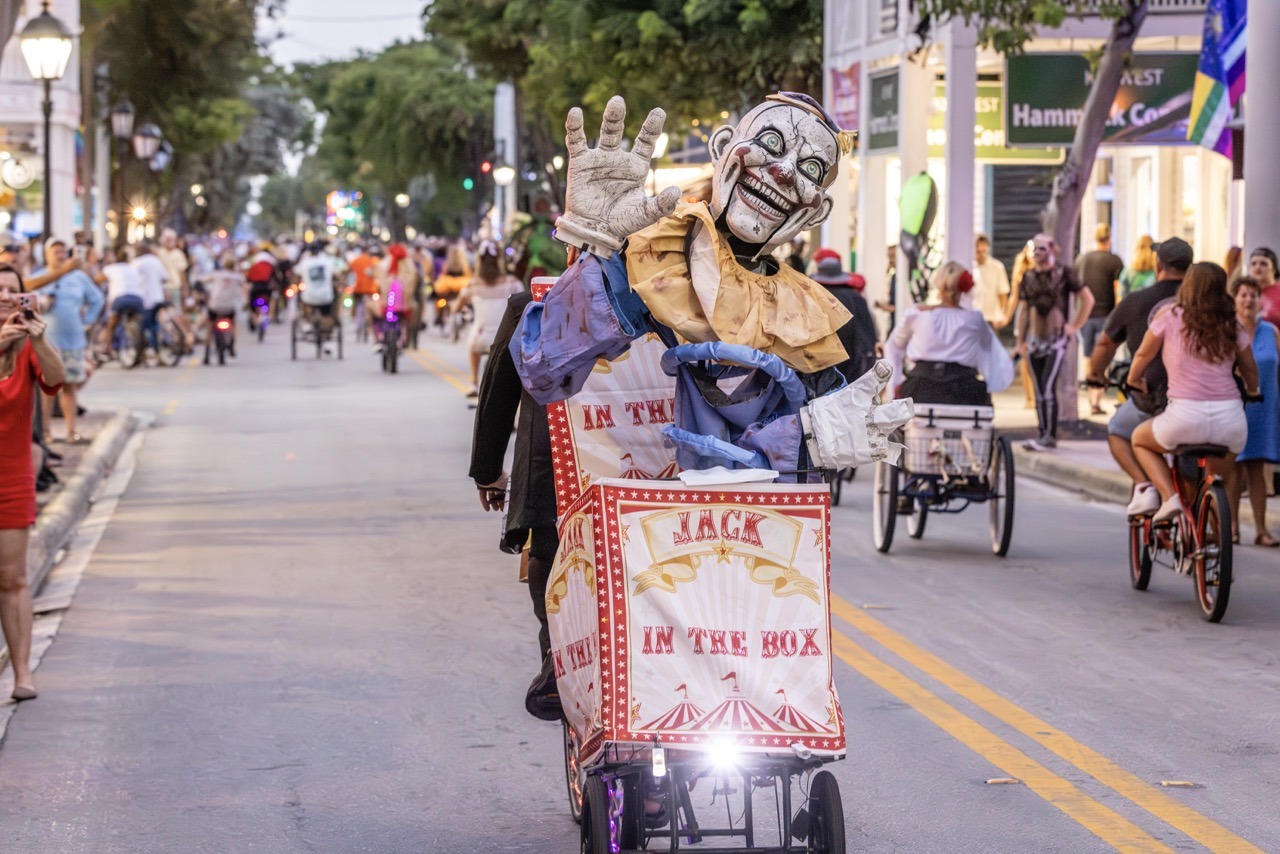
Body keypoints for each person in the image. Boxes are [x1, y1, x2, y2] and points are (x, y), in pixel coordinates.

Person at [470, 288, 560, 720]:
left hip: (553, 484)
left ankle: (558, 664)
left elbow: (497, 391)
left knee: (554, 573)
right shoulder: (690, 296)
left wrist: (488, 469)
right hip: (665, 487)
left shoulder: (536, 303)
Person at [1127, 262, 1258, 522]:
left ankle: (1169, 497)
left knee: (1139, 440)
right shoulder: (1233, 323)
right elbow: (1250, 369)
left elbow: (1143, 353)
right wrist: (1253, 390)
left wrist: (1134, 380)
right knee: (1216, 475)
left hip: (1182, 418)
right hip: (1230, 421)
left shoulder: (1170, 315)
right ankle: (1211, 529)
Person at [0, 263, 66, 701]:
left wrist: (39, 341)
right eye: (0, 290)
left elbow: (56, 382)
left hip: (12, 477)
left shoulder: (28, 345)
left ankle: (22, 674)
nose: (6, 297)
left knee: (13, 578)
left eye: (14, 291)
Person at [1087, 237, 1192, 508]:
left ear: (1159, 266)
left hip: (1153, 398)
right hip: (1201, 400)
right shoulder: (1204, 304)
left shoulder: (1135, 301)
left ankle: (1147, 485)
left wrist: (1096, 375)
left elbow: (1105, 343)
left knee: (1119, 430)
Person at [884, 261, 1014, 405]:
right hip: (965, 391)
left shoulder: (917, 315)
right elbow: (992, 353)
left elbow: (893, 346)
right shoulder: (974, 320)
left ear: (939, 285)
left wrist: (894, 383)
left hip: (920, 388)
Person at [1015, 234, 1094, 449]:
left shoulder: (1063, 273)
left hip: (1055, 339)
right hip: (1034, 340)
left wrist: (1074, 325)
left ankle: (1048, 435)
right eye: (1034, 248)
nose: (1037, 252)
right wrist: (1020, 340)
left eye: (1042, 248)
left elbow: (1087, 298)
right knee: (1039, 388)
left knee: (1047, 387)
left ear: (1051, 249)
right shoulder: (1028, 276)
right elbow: (1024, 310)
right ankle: (1043, 432)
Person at [1224, 277, 1279, 545]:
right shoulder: (1228, 330)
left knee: (1257, 468)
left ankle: (1260, 529)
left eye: (1253, 295)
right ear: (1234, 299)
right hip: (1236, 404)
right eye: (1243, 295)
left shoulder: (1271, 331)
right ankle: (1232, 527)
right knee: (1233, 466)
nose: (1249, 300)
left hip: (1265, 407)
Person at [32, 239, 103, 444]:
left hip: (73, 340)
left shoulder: (79, 277)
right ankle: (45, 432)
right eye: (56, 251)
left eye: (63, 252)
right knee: (46, 390)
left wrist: (87, 321)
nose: (60, 255)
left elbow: (97, 299)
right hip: (47, 343)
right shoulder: (39, 278)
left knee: (69, 387)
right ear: (47, 254)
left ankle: (71, 431)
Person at [453, 241, 524, 395]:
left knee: (472, 343)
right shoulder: (512, 283)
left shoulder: (473, 285)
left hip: (481, 338)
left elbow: (457, 307)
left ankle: (473, 382)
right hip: (506, 339)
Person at [1076, 224, 1125, 415]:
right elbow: (1117, 290)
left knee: (1088, 357)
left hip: (1086, 316)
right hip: (1107, 315)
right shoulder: (1114, 261)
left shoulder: (1082, 260)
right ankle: (1097, 399)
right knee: (1103, 357)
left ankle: (1091, 398)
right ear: (1109, 237)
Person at [810, 247, 877, 382]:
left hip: (819, 369)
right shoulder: (856, 298)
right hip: (852, 367)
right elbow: (869, 335)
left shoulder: (813, 297)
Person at [98, 245, 146, 360]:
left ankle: (107, 349)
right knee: (138, 323)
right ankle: (142, 348)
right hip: (137, 298)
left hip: (120, 298)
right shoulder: (133, 268)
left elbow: (96, 280)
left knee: (111, 325)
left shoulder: (111, 268)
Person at [201, 255, 246, 364]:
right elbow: (245, 288)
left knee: (210, 327)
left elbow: (202, 280)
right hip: (229, 307)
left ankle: (206, 354)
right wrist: (245, 301)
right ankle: (232, 344)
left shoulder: (216, 275)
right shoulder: (238, 277)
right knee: (233, 323)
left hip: (215, 306)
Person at [132, 242, 171, 354]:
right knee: (155, 322)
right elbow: (165, 277)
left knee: (146, 324)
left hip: (145, 299)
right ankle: (159, 345)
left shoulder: (136, 263)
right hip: (158, 297)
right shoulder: (155, 261)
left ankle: (153, 347)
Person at [296, 241, 338, 334]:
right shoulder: (328, 261)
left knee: (303, 302)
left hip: (309, 297)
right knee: (327, 313)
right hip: (326, 296)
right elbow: (336, 274)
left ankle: (307, 322)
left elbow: (296, 274)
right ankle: (327, 332)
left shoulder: (305, 263)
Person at [967, 233, 1010, 326]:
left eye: (983, 249)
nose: (981, 253)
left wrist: (1002, 314)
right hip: (973, 317)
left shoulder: (997, 267)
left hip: (992, 318)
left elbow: (1003, 293)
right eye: (978, 250)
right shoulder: (968, 268)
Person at [1249, 247, 1280, 328]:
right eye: (1253, 263)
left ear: (1274, 268)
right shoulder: (1245, 292)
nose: (1257, 268)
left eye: (1263, 264)